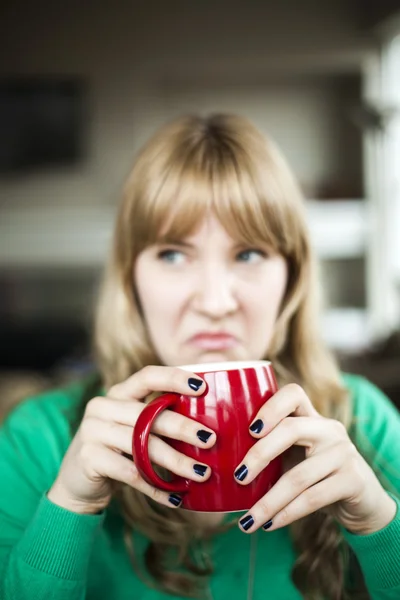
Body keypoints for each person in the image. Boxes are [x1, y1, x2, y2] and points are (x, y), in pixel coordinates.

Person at [0, 114, 399, 600]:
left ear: (292, 280)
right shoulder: (38, 439)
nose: (214, 302)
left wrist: (379, 525)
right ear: (131, 280)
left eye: (249, 253)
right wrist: (69, 507)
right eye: (172, 254)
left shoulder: (364, 424)